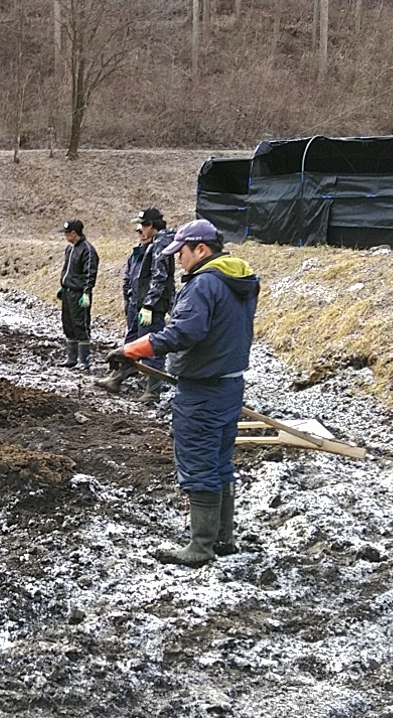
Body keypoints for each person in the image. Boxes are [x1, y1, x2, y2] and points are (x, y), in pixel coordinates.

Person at [106, 218, 260, 567]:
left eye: (182, 253)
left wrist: (133, 349)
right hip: (230, 383)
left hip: (202, 389)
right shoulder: (239, 279)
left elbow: (182, 333)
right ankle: (222, 538)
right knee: (220, 462)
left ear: (201, 250)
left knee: (199, 462)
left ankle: (200, 546)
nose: (178, 260)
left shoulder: (204, 284)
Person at [95, 207, 175, 403]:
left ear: (151, 226)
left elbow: (159, 277)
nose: (139, 231)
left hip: (150, 308)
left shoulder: (160, 245)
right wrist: (131, 299)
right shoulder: (146, 248)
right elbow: (134, 277)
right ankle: (116, 379)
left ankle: (152, 392)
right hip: (138, 305)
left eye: (142, 227)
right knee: (131, 344)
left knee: (151, 347)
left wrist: (149, 304)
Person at [56, 219, 100, 373]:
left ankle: (84, 360)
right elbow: (66, 269)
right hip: (68, 292)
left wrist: (86, 292)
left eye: (66, 233)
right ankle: (71, 358)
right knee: (68, 323)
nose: (65, 236)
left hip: (79, 293)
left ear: (74, 233)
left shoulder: (87, 250)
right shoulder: (70, 249)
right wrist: (63, 286)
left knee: (80, 324)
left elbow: (90, 273)